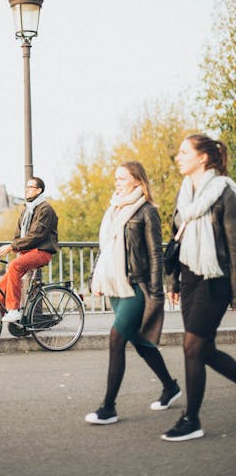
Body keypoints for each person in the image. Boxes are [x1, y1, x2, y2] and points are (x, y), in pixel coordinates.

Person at [85, 161, 180, 425]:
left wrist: (157, 292)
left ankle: (108, 407)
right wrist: (95, 278)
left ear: (138, 181)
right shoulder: (113, 209)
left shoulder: (147, 211)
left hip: (137, 286)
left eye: (122, 178)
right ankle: (170, 387)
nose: (117, 183)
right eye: (116, 178)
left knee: (116, 339)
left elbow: (154, 254)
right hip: (116, 285)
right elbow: (106, 250)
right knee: (141, 343)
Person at [163, 134, 236, 442]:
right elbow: (177, 238)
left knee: (192, 346)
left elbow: (234, 245)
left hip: (215, 276)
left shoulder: (225, 192)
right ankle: (191, 419)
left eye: (184, 152)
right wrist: (173, 280)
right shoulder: (185, 194)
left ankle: (191, 420)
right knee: (202, 349)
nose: (178, 157)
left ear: (203, 158)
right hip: (190, 276)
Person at [0, 176, 58, 337]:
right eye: (26, 187)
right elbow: (18, 235)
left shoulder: (45, 209)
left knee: (14, 266)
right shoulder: (27, 210)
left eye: (30, 187)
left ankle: (14, 309)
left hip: (42, 251)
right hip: (28, 252)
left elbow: (37, 235)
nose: (27, 190)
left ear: (39, 190)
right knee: (1, 287)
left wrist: (12, 246)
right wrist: (12, 246)